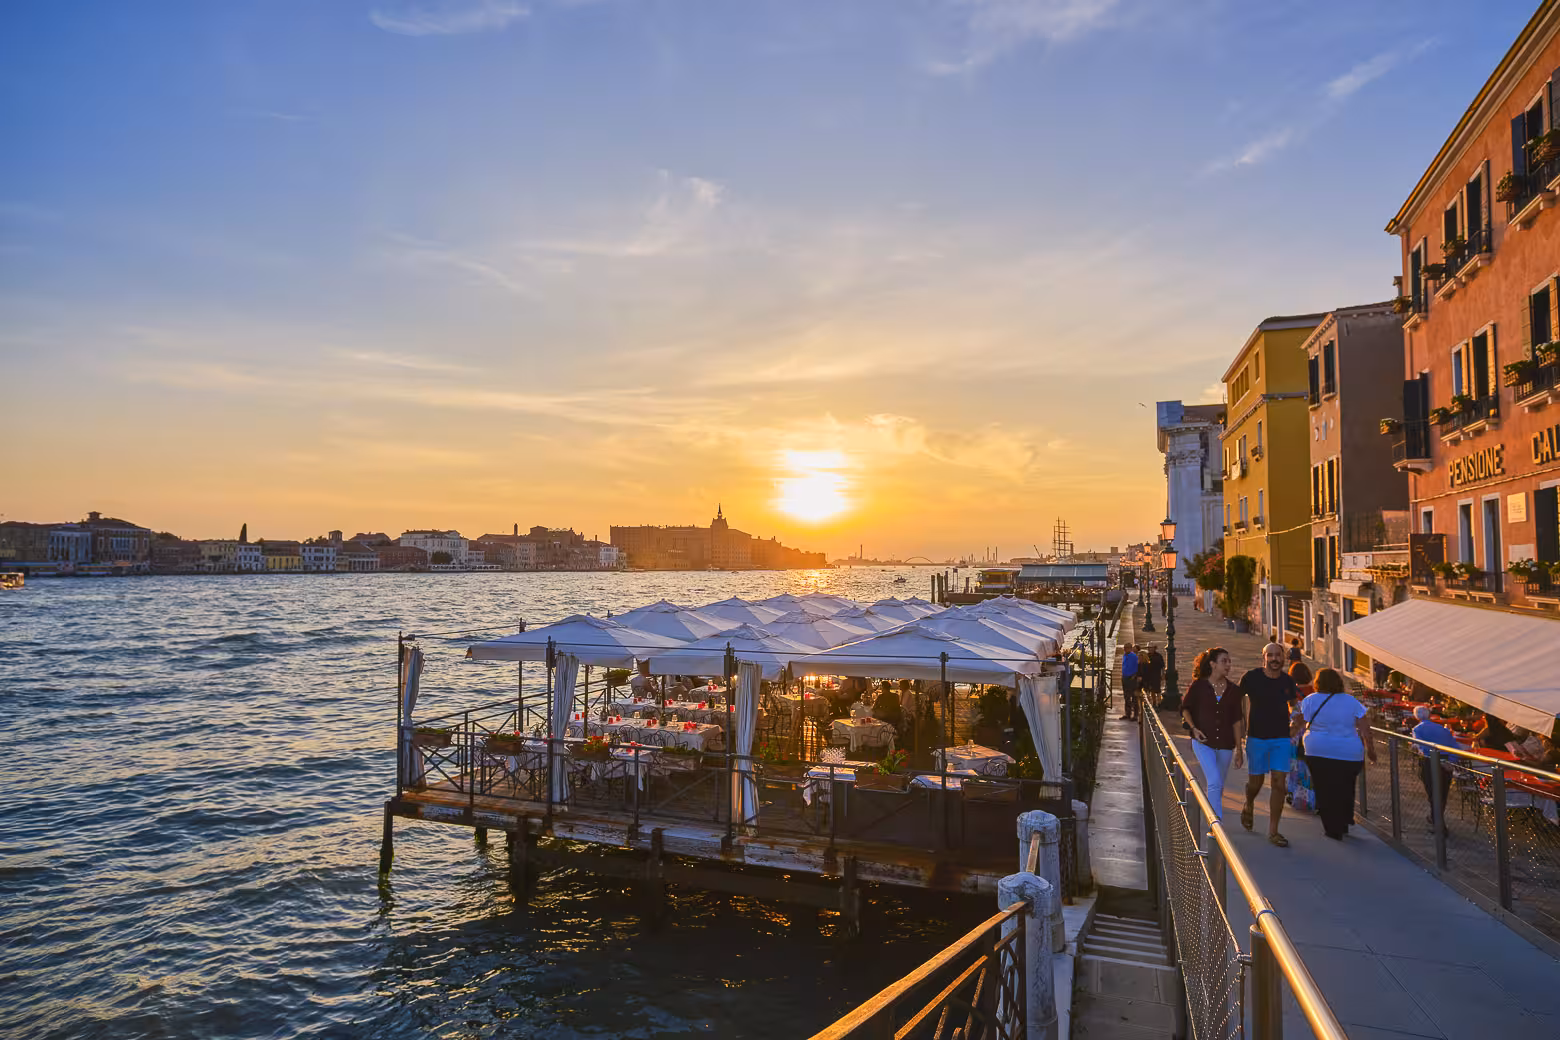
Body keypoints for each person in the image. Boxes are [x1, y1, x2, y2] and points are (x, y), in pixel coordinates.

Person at [1297, 668, 1375, 840]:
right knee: (1346, 786)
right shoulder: (1351, 701)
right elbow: (1365, 729)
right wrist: (1371, 750)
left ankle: (1333, 828)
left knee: (1324, 788)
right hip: (1349, 753)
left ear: (1318, 682)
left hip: (1318, 751)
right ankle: (1345, 819)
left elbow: (1301, 722)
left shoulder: (1310, 700)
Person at [1241, 642, 1302, 846]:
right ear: (1264, 657)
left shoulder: (1288, 681)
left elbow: (1295, 705)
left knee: (1279, 784)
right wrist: (1240, 724)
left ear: (1283, 658)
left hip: (1281, 739)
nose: (1275, 659)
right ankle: (1249, 803)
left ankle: (1273, 831)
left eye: (1278, 655)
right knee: (1255, 783)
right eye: (1271, 655)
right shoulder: (1251, 678)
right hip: (1256, 737)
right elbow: (1238, 700)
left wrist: (1297, 722)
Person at [1181, 647, 1245, 822]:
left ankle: (1212, 815)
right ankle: (1216, 826)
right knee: (1215, 781)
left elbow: (1236, 721)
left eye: (1229, 661)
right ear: (1213, 664)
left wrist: (1239, 750)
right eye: (1224, 661)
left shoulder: (1234, 690)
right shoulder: (1199, 686)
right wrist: (1194, 728)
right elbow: (1186, 709)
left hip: (1226, 745)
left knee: (1217, 785)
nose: (1228, 665)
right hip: (1203, 743)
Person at [1410, 705, 1460, 828]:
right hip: (1446, 761)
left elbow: (1423, 748)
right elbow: (1455, 747)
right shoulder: (1443, 729)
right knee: (1443, 792)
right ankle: (1437, 819)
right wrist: (1452, 762)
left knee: (1432, 792)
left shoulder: (1417, 730)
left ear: (1416, 717)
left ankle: (1437, 821)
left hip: (1430, 761)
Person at [1140, 645, 1165, 710]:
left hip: (1156, 675)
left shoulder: (1158, 656)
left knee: (1158, 690)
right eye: (1149, 648)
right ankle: (1154, 703)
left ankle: (1159, 703)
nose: (1150, 649)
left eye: (1151, 648)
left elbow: (1162, 666)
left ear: (1154, 648)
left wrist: (1163, 674)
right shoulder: (1147, 655)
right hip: (1149, 675)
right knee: (1151, 690)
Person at [1120, 644, 1140, 721]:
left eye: (1126, 648)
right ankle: (1127, 714)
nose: (1125, 649)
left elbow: (1137, 666)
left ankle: (1135, 715)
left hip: (1131, 678)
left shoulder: (1134, 656)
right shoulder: (1124, 655)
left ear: (1130, 648)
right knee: (1126, 697)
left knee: (1134, 697)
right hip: (1125, 677)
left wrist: (1134, 676)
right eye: (1124, 648)